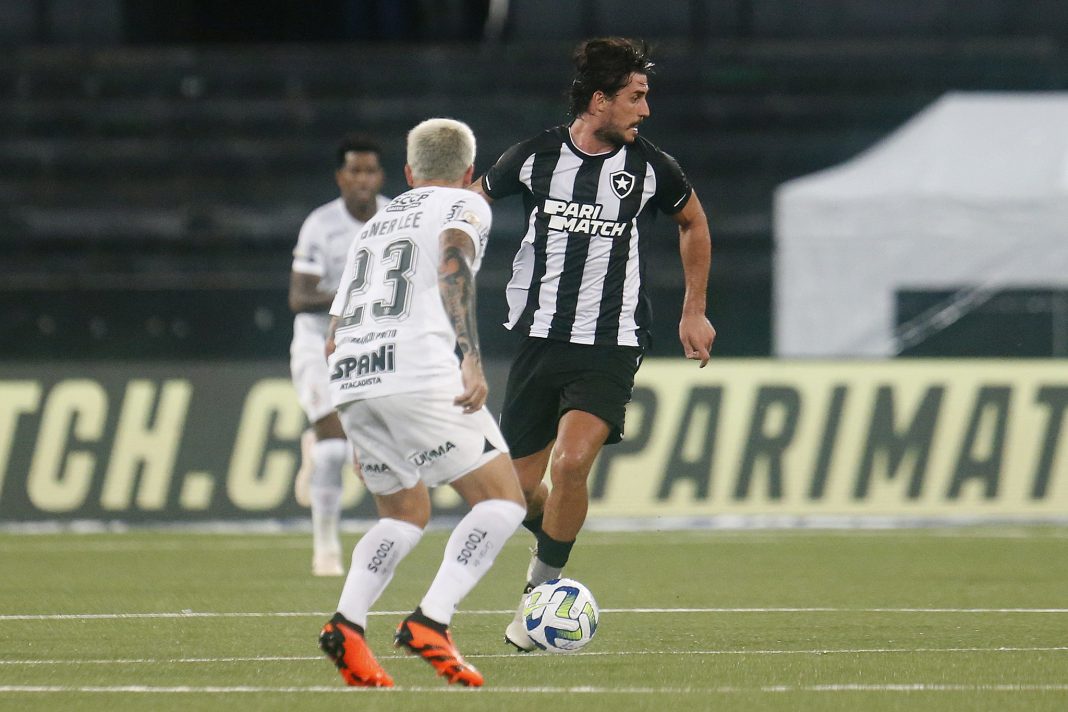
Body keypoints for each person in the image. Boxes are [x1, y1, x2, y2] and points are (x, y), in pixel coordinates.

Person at [468, 36, 717, 651]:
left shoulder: (652, 167)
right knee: (518, 491)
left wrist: (694, 311)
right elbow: (475, 204)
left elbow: (693, 222)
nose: (646, 110)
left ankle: (540, 590)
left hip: (611, 339)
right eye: (636, 97)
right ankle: (553, 542)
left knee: (573, 462)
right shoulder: (532, 159)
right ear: (600, 100)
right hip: (538, 339)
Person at [317, 118, 526, 688]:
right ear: (469, 173)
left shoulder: (374, 222)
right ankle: (431, 621)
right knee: (503, 502)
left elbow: (334, 330)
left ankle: (347, 626)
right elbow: (453, 259)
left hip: (353, 377)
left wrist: (364, 421)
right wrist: (470, 355)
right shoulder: (466, 204)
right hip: (417, 370)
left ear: (408, 173)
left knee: (405, 513)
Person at [289, 135, 389, 576]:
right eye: (355, 171)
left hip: (372, 346)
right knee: (333, 452)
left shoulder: (395, 216)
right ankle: (326, 547)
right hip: (318, 344)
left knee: (375, 452)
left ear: (380, 176)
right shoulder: (320, 224)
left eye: (370, 171)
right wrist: (354, 299)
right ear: (341, 177)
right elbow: (299, 295)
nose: (363, 180)